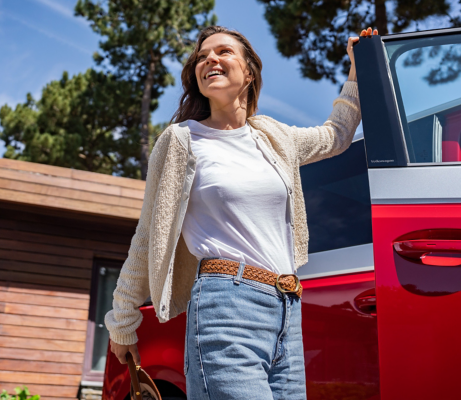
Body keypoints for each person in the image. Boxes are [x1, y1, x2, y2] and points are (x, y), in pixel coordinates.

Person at [105, 25, 377, 399]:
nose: (209, 59)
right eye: (202, 57)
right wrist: (122, 321)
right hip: (225, 306)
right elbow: (149, 235)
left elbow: (337, 135)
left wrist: (356, 73)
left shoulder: (272, 137)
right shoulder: (182, 140)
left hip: (288, 308)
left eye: (222, 52)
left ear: (249, 72)